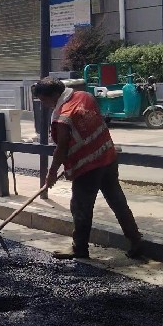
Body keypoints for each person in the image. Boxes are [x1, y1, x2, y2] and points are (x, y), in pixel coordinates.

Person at [33, 77, 144, 260]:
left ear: (54, 95)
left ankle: (80, 248)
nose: (44, 105)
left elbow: (61, 148)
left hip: (87, 168)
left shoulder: (64, 116)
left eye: (44, 100)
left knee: (80, 207)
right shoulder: (85, 96)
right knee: (117, 201)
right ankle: (136, 240)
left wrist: (51, 174)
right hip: (107, 157)